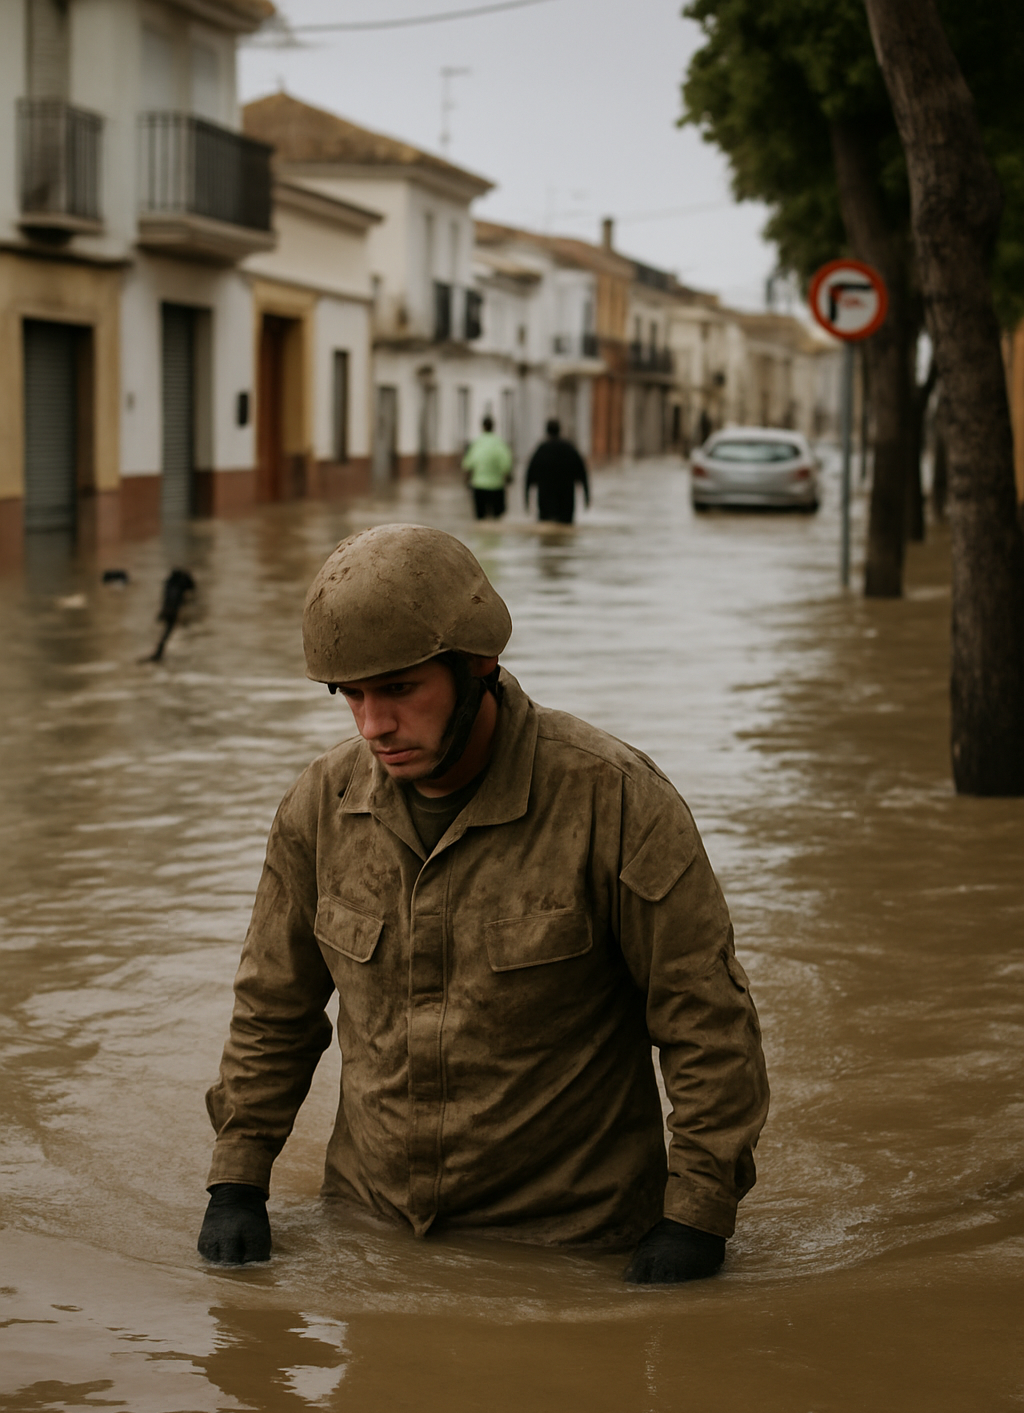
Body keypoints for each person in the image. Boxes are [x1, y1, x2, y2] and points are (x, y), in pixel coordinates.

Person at [198, 525, 769, 1284]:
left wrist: (696, 1216)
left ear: (478, 665)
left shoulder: (617, 801)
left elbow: (705, 1019)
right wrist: (238, 1180)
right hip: (371, 1230)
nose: (373, 726)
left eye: (399, 689)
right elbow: (274, 1007)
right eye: (352, 695)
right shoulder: (319, 808)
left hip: (574, 1247)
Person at [524, 418, 590, 524]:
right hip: (566, 505)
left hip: (546, 505)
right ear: (560, 430)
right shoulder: (570, 449)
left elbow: (529, 476)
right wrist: (586, 498)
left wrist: (526, 500)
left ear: (547, 431)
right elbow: (583, 474)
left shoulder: (541, 450)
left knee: (546, 530)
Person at [461, 415, 513, 520]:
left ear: (482, 427)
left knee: (480, 519)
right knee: (497, 518)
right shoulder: (499, 443)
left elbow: (468, 465)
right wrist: (508, 478)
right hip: (497, 486)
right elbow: (506, 464)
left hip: (479, 486)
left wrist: (466, 481)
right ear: (493, 427)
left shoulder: (476, 443)